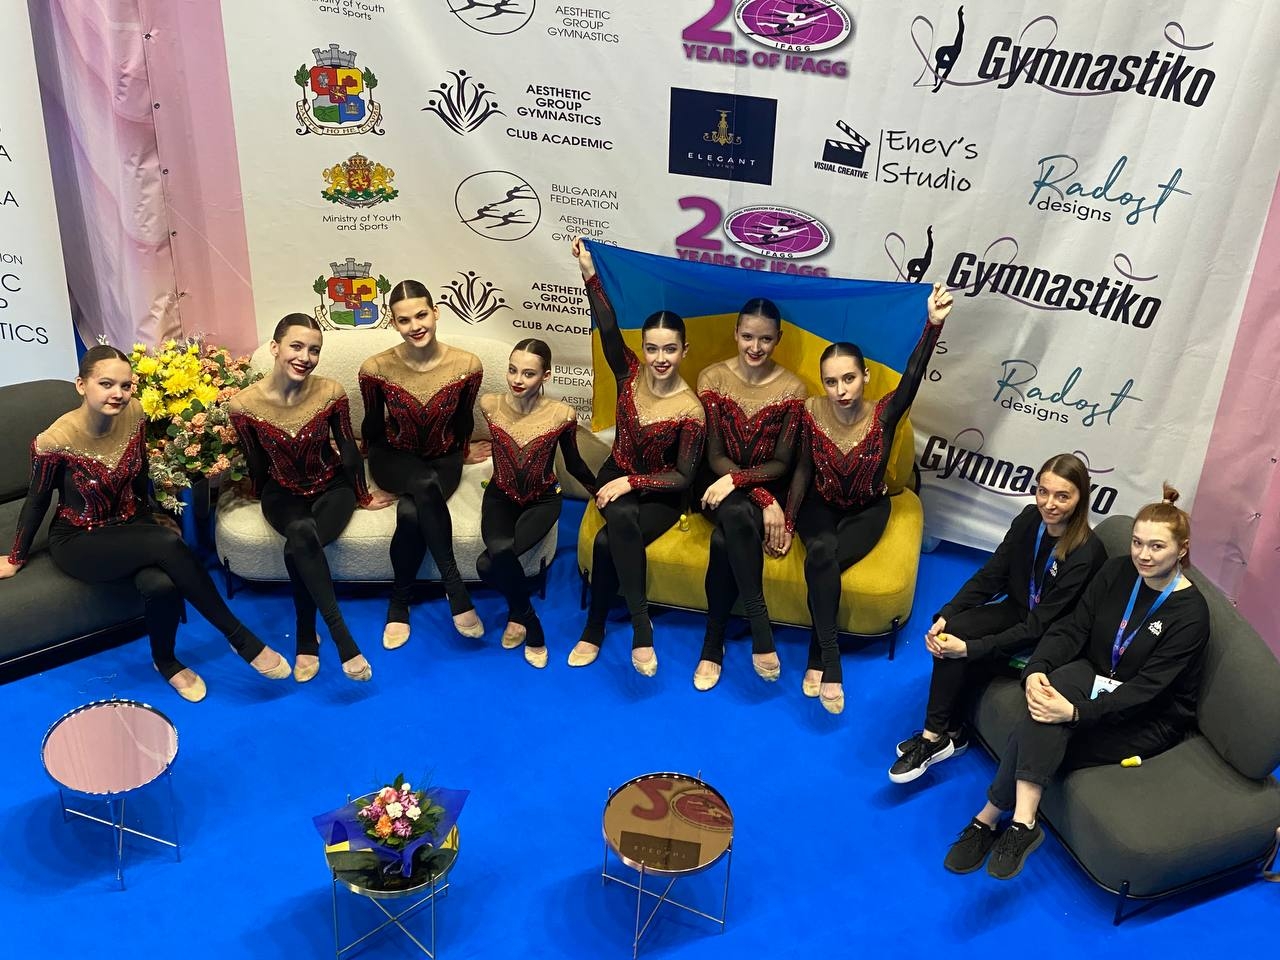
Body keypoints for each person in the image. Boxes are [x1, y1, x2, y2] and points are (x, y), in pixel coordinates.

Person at [944, 484, 1209, 880]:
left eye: (1157, 547)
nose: (1143, 555)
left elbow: (1147, 690)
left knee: (1044, 728)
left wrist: (1075, 712)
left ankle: (988, 817)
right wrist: (1038, 667)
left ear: (1182, 549)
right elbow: (1074, 626)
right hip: (1097, 673)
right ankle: (1023, 823)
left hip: (1149, 715)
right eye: (1137, 543)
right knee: (1044, 705)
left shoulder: (1191, 615)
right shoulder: (1118, 572)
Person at [0, 344, 291, 702]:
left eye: (126, 386)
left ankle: (165, 661)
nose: (118, 394)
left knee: (161, 585)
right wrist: (16, 557)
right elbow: (37, 501)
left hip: (130, 522)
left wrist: (152, 514)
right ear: (81, 385)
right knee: (167, 543)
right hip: (79, 539)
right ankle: (239, 637)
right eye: (106, 384)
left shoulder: (134, 413)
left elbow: (140, 476)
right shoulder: (53, 441)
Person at [778, 283, 953, 714]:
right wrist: (789, 519)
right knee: (820, 553)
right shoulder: (810, 412)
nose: (841, 389)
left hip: (868, 508)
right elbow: (802, 469)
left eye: (849, 378)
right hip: (820, 504)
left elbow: (913, 375)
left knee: (828, 562)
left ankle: (818, 654)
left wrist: (933, 325)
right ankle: (831, 661)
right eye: (831, 381)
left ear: (865, 377)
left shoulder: (884, 414)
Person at [890, 452, 1108, 779]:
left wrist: (969, 649)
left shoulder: (1087, 553)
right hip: (1018, 611)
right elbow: (992, 574)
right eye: (1043, 492)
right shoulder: (1029, 519)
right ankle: (952, 733)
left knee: (961, 650)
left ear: (1080, 499)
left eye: (1063, 496)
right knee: (952, 631)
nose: (1049, 504)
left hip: (1047, 639)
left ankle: (933, 737)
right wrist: (949, 613)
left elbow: (1038, 626)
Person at [230, 314, 394, 683]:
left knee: (296, 548)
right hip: (281, 492)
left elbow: (348, 448)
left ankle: (307, 634)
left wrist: (361, 494)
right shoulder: (243, 405)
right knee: (301, 530)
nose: (305, 357)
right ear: (275, 348)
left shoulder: (330, 391)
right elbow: (256, 461)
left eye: (314, 350)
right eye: (297, 346)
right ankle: (343, 639)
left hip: (333, 488)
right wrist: (252, 490)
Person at [570, 238, 705, 675]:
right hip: (617, 473)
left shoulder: (691, 408)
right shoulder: (627, 374)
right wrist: (590, 274)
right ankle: (640, 627)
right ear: (643, 349)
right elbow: (608, 327)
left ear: (684, 350)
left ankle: (596, 629)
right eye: (652, 348)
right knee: (621, 522)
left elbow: (683, 476)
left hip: (662, 493)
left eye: (670, 349)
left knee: (607, 541)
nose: (660, 358)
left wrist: (632, 482)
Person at [359, 280, 485, 649]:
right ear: (393, 323)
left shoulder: (467, 365)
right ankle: (455, 589)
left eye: (421, 315)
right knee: (422, 484)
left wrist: (463, 451)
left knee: (412, 512)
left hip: (443, 458)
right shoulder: (375, 368)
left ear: (435, 313)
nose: (415, 326)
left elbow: (464, 419)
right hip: (393, 458)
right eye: (404, 320)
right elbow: (372, 423)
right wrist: (356, 466)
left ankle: (399, 602)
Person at [693, 298, 806, 690]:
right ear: (735, 334)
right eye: (747, 337)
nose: (755, 347)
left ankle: (713, 642)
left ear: (778, 339)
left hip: (755, 487)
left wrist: (752, 489)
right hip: (715, 485)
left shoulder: (792, 388)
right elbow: (714, 456)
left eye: (765, 339)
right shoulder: (712, 378)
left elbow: (782, 463)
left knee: (725, 538)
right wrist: (764, 499)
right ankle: (761, 627)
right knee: (735, 513)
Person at [477, 338, 597, 667]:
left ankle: (517, 613)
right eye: (512, 370)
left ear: (546, 376)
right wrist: (464, 452)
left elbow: (574, 463)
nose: (517, 380)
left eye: (528, 374)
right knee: (491, 559)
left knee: (489, 565)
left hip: (543, 500)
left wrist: (599, 491)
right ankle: (530, 622)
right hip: (500, 495)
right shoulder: (489, 404)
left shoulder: (561, 414)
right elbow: (459, 430)